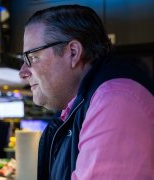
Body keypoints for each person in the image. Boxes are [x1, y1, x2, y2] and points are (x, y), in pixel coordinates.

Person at [18, 5, 154, 180]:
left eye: (32, 57)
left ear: (73, 53)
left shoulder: (116, 100)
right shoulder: (79, 107)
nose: (22, 72)